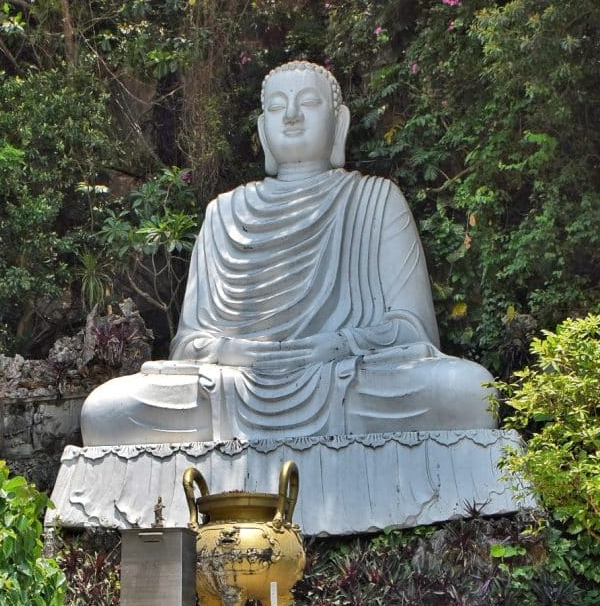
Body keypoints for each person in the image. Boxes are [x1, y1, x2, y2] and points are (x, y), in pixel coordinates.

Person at [81, 61, 496, 446]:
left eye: (309, 103)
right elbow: (190, 343)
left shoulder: (375, 199)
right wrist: (234, 352)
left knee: (470, 393)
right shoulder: (224, 212)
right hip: (235, 385)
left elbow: (411, 329)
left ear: (339, 123)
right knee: (105, 411)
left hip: (346, 377)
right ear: (263, 130)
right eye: (278, 107)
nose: (292, 116)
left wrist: (337, 345)